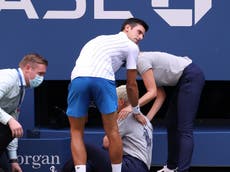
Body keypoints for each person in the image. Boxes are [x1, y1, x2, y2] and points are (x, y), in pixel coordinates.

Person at [66, 18, 149, 172]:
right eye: (139, 32)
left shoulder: (98, 39)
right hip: (103, 80)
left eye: (143, 35)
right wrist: (136, 110)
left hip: (78, 79)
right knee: (112, 131)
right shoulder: (131, 47)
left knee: (76, 131)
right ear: (127, 28)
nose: (141, 37)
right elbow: (131, 85)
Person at [119, 51, 205, 172]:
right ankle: (171, 167)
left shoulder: (141, 61)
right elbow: (160, 95)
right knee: (171, 122)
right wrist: (147, 120)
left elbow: (152, 93)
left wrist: (132, 108)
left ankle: (183, 170)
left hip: (191, 75)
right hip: (184, 79)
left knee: (185, 128)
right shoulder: (139, 67)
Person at [62, 85, 153, 172]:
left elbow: (107, 143)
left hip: (130, 165)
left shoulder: (125, 115)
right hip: (141, 167)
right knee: (89, 165)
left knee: (83, 146)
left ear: (121, 102)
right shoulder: (146, 120)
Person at [0, 53, 48, 172]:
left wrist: (13, 160)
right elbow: (11, 121)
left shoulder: (21, 90)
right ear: (27, 68)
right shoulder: (8, 78)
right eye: (40, 74)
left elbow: (13, 127)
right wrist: (9, 120)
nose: (41, 78)